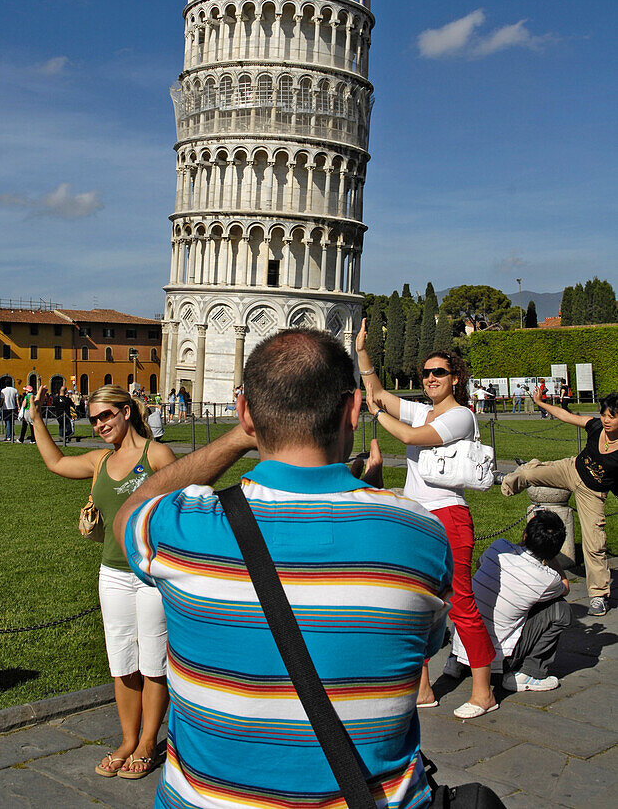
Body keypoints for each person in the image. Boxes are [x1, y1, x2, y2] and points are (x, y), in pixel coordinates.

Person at [114, 328, 452, 808]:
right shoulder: (420, 535)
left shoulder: (183, 529)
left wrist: (236, 439)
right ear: (353, 408)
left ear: (246, 411)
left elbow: (128, 513)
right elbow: (425, 644)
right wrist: (381, 510)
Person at [31, 382, 176, 777]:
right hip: (111, 573)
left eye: (106, 415)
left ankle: (148, 743)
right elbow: (57, 464)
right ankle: (128, 739)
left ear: (126, 411)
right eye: (93, 419)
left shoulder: (157, 455)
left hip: (150, 574)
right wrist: (36, 417)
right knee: (122, 661)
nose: (98, 425)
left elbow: (193, 496)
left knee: (152, 663)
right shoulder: (99, 461)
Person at [356, 320, 497, 718]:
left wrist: (378, 418)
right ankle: (421, 689)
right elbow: (379, 394)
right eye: (426, 372)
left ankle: (484, 691)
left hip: (449, 516)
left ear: (455, 379)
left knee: (461, 603)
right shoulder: (422, 410)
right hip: (419, 515)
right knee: (415, 604)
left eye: (439, 372)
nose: (430, 378)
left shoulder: (460, 417)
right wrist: (362, 351)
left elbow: (412, 438)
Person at [501, 391, 618, 617]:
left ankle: (598, 595)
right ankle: (504, 483)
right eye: (603, 414)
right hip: (571, 469)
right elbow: (565, 416)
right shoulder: (596, 427)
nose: (606, 420)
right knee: (526, 473)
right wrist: (540, 403)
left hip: (592, 492)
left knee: (594, 543)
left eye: (611, 416)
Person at [448, 510, 570, 691]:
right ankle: (530, 672)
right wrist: (550, 555)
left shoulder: (499, 547)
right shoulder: (547, 579)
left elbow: (479, 565)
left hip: (463, 644)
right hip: (497, 661)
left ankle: (455, 661)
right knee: (560, 610)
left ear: (525, 534)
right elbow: (565, 587)